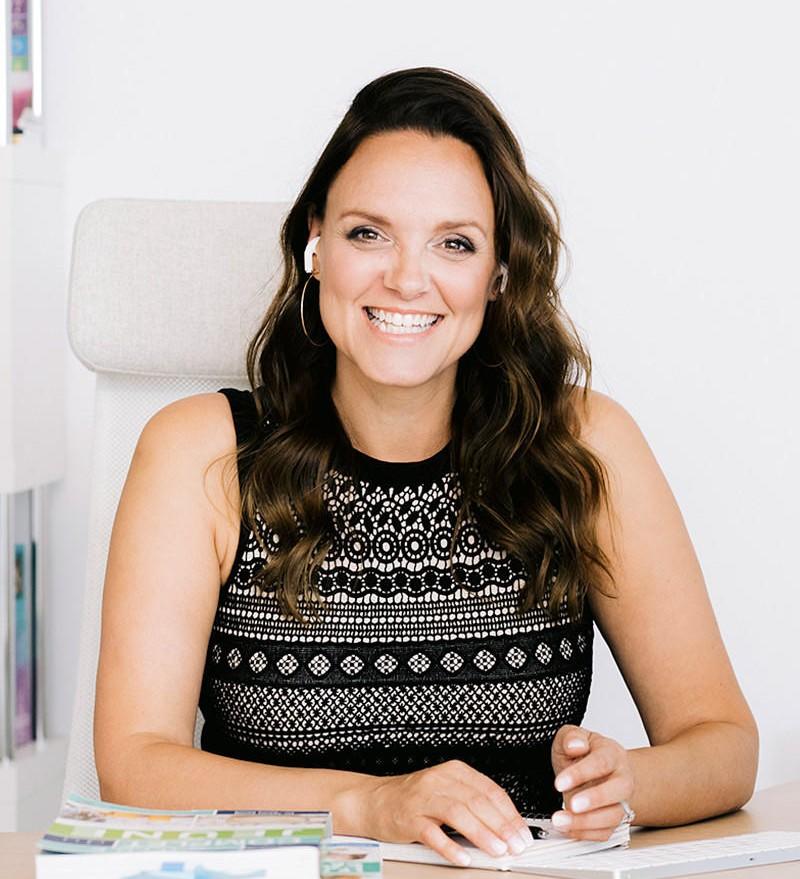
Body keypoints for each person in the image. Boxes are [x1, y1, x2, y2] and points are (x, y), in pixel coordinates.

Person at [94, 67, 758, 868]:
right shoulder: (201, 452)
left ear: (499, 271)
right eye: (368, 233)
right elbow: (134, 761)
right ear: (315, 244)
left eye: (455, 243)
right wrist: (369, 805)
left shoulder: (585, 442)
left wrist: (631, 782)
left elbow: (723, 743)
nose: (407, 279)